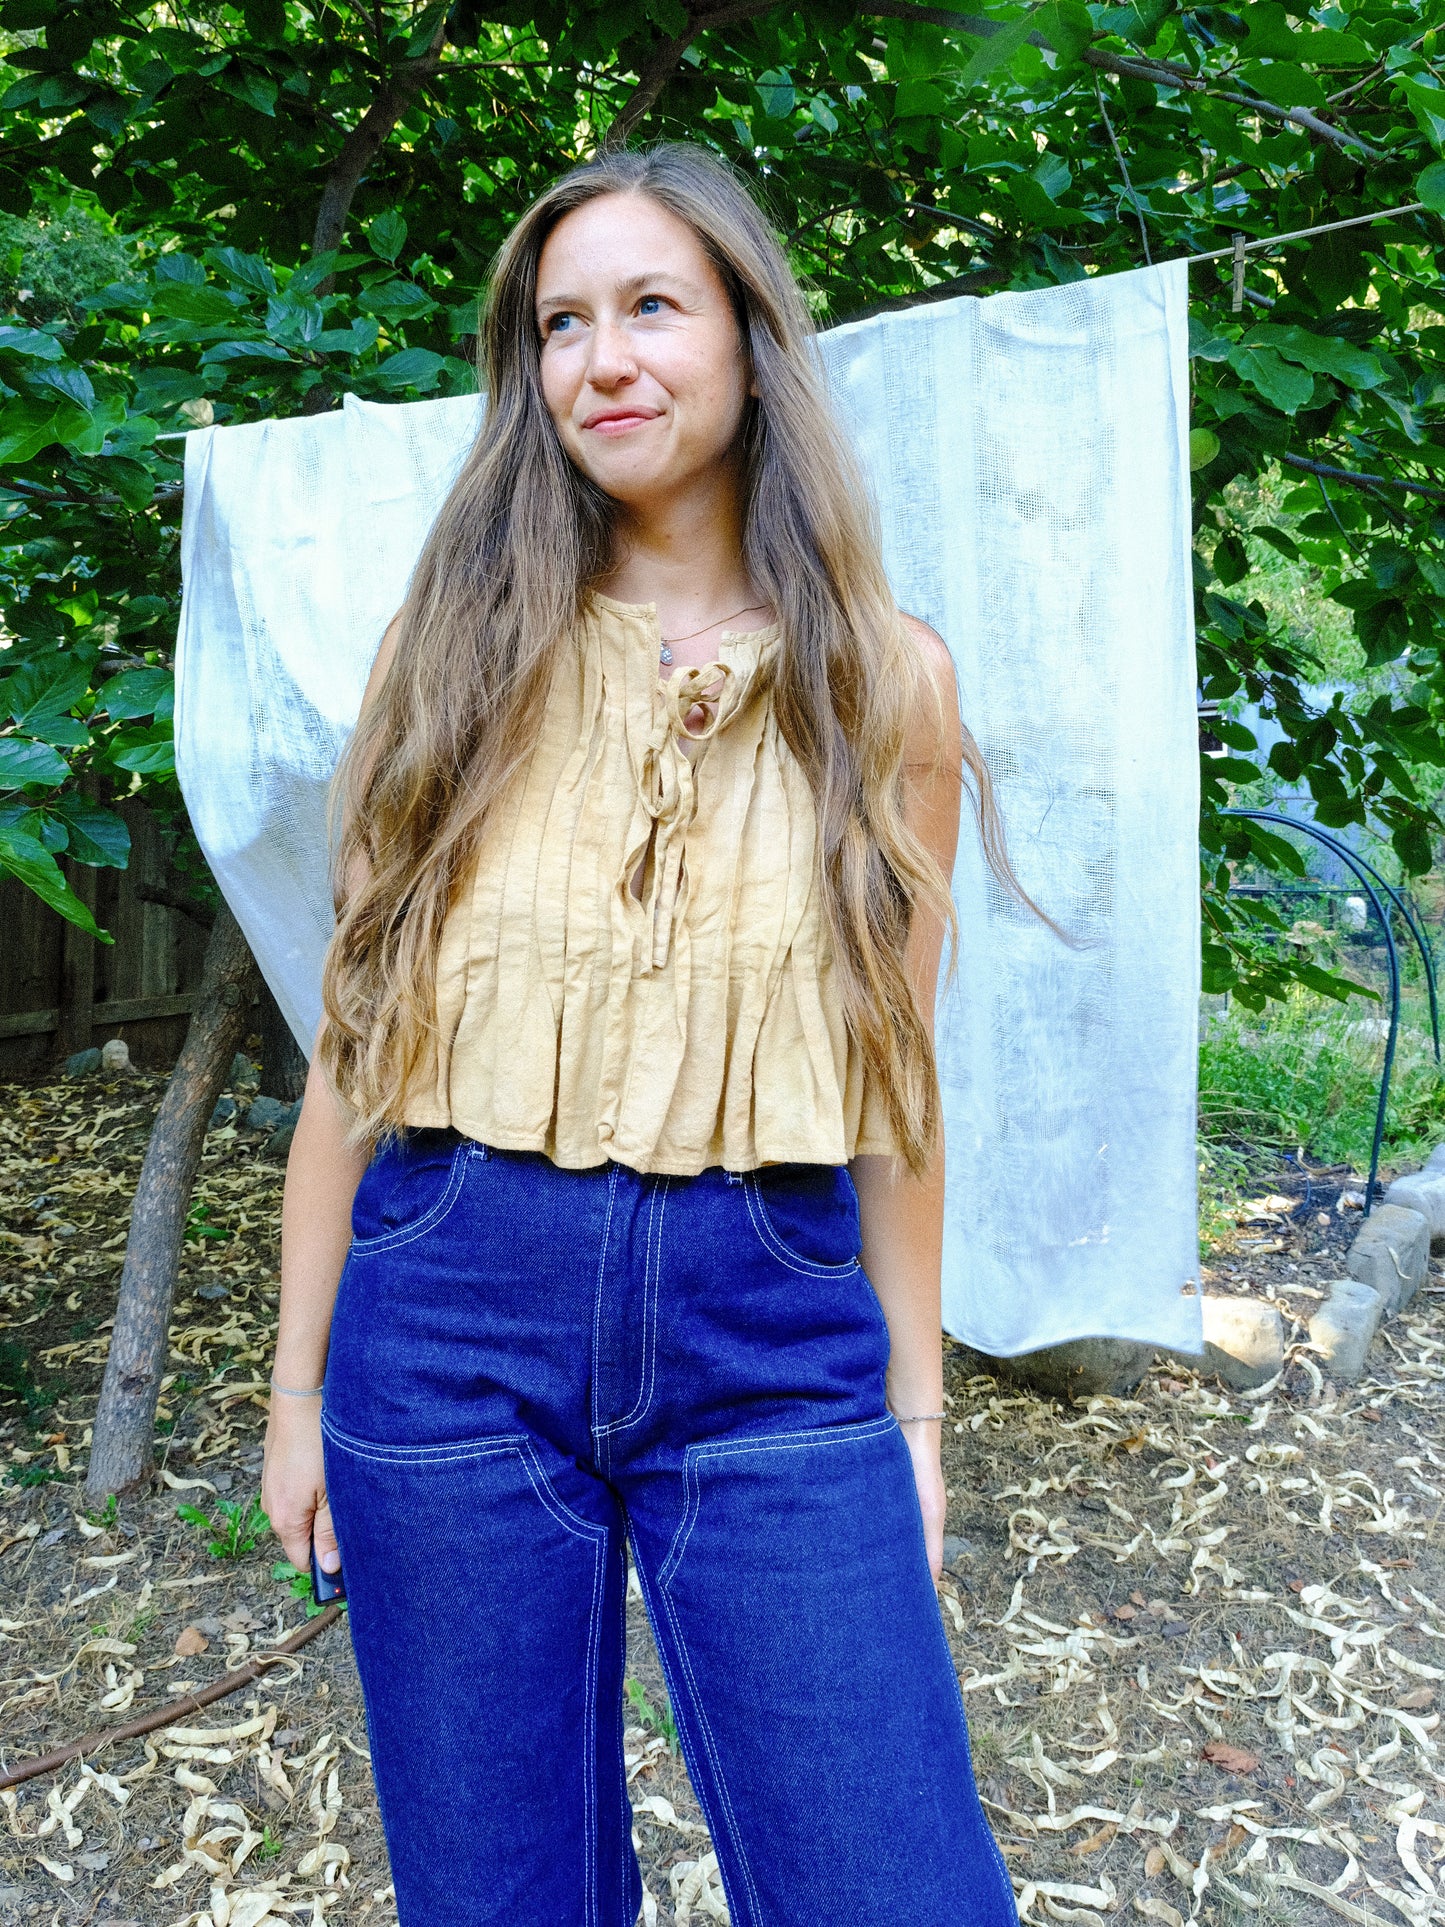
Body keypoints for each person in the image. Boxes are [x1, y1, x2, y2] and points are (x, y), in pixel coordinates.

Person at [261, 140, 1028, 1926]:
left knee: (889, 1890)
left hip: (769, 1329)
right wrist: (296, 1390)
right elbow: (351, 1057)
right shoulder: (449, 653)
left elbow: (892, 1097)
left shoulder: (881, 684)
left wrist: (911, 1423)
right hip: (446, 1321)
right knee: (499, 1900)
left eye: (651, 307)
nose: (600, 358)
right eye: (560, 323)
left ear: (755, 342)